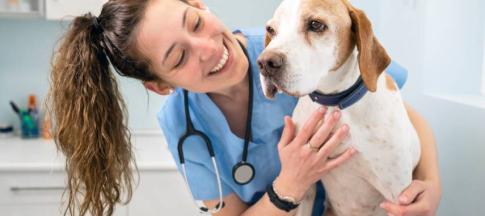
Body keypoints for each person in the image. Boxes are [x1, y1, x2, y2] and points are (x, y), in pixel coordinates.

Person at [48, 0, 441, 215]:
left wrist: (431, 185)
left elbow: (397, 113)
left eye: (195, 23)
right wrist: (291, 183)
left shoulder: (282, 50)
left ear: (200, 5)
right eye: (178, 56)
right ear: (161, 86)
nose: (207, 48)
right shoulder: (183, 125)